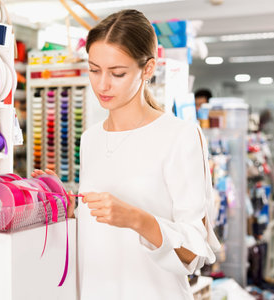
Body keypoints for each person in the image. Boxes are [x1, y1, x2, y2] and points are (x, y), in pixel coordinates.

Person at [32, 9, 220, 299]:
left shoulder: (180, 136)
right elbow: (101, 234)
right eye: (94, 70)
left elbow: (195, 252)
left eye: (117, 73)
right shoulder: (91, 138)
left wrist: (136, 219)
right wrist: (72, 210)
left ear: (147, 69)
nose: (102, 84)